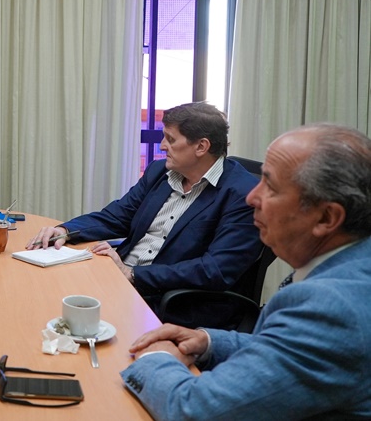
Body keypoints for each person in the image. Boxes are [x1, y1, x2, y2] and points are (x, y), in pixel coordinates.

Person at [122, 124, 371, 420]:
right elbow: (290, 348)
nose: (252, 197)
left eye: (271, 187)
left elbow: (193, 410)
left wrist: (155, 357)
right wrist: (209, 342)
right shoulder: (353, 265)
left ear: (327, 218)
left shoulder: (332, 307)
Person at [27, 102, 264, 329]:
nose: (162, 146)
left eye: (171, 139)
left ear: (201, 147)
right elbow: (118, 216)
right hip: (121, 280)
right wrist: (66, 230)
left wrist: (133, 274)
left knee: (61, 317)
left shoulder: (243, 195)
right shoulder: (159, 172)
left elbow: (214, 270)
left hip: (174, 303)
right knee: (42, 291)